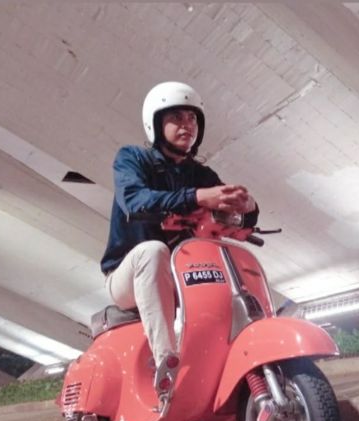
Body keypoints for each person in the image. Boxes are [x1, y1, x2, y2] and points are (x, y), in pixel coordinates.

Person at [100, 81, 258, 399]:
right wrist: (196, 197)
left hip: (180, 274)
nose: (187, 125)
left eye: (192, 118)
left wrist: (248, 208)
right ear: (156, 123)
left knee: (220, 259)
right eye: (176, 117)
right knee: (153, 251)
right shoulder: (132, 159)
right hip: (127, 275)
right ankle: (166, 364)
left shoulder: (200, 174)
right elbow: (135, 201)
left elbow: (227, 208)